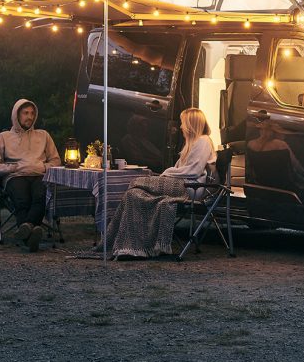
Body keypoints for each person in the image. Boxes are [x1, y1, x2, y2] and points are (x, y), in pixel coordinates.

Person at [88, 107, 216, 259]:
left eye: (182, 123)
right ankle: (131, 247)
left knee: (136, 181)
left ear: (191, 124)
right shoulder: (191, 144)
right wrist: (169, 174)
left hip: (191, 187)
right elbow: (181, 169)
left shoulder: (203, 141)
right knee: (133, 194)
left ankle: (123, 243)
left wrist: (167, 173)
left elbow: (194, 170)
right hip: (181, 183)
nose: (180, 127)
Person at [0, 98, 60, 252]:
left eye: (32, 113)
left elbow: (55, 160)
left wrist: (41, 166)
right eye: (25, 113)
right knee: (23, 199)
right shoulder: (3, 137)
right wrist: (12, 168)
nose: (30, 116)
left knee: (40, 197)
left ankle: (27, 231)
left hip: (38, 174)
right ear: (16, 115)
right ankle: (32, 230)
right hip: (15, 176)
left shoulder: (43, 136)